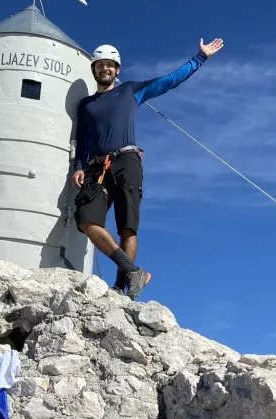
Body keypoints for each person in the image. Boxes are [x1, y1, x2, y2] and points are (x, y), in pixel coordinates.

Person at [72, 38, 225, 300]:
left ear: (117, 70)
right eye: (100, 65)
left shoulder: (130, 91)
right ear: (94, 69)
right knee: (86, 220)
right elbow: (83, 139)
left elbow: (168, 81)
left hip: (127, 160)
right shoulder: (86, 105)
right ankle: (133, 271)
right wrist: (78, 166)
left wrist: (199, 59)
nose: (105, 69)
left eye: (110, 65)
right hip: (97, 168)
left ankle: (121, 289)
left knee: (127, 227)